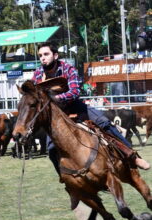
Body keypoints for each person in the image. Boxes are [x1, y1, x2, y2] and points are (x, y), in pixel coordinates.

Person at [32, 42, 150, 172]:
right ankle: (63, 176)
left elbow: (75, 91)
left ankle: (133, 157)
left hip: (75, 106)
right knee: (51, 148)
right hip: (54, 115)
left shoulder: (68, 69)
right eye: (40, 55)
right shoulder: (37, 75)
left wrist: (56, 98)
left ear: (55, 55)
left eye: (46, 54)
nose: (43, 58)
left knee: (104, 123)